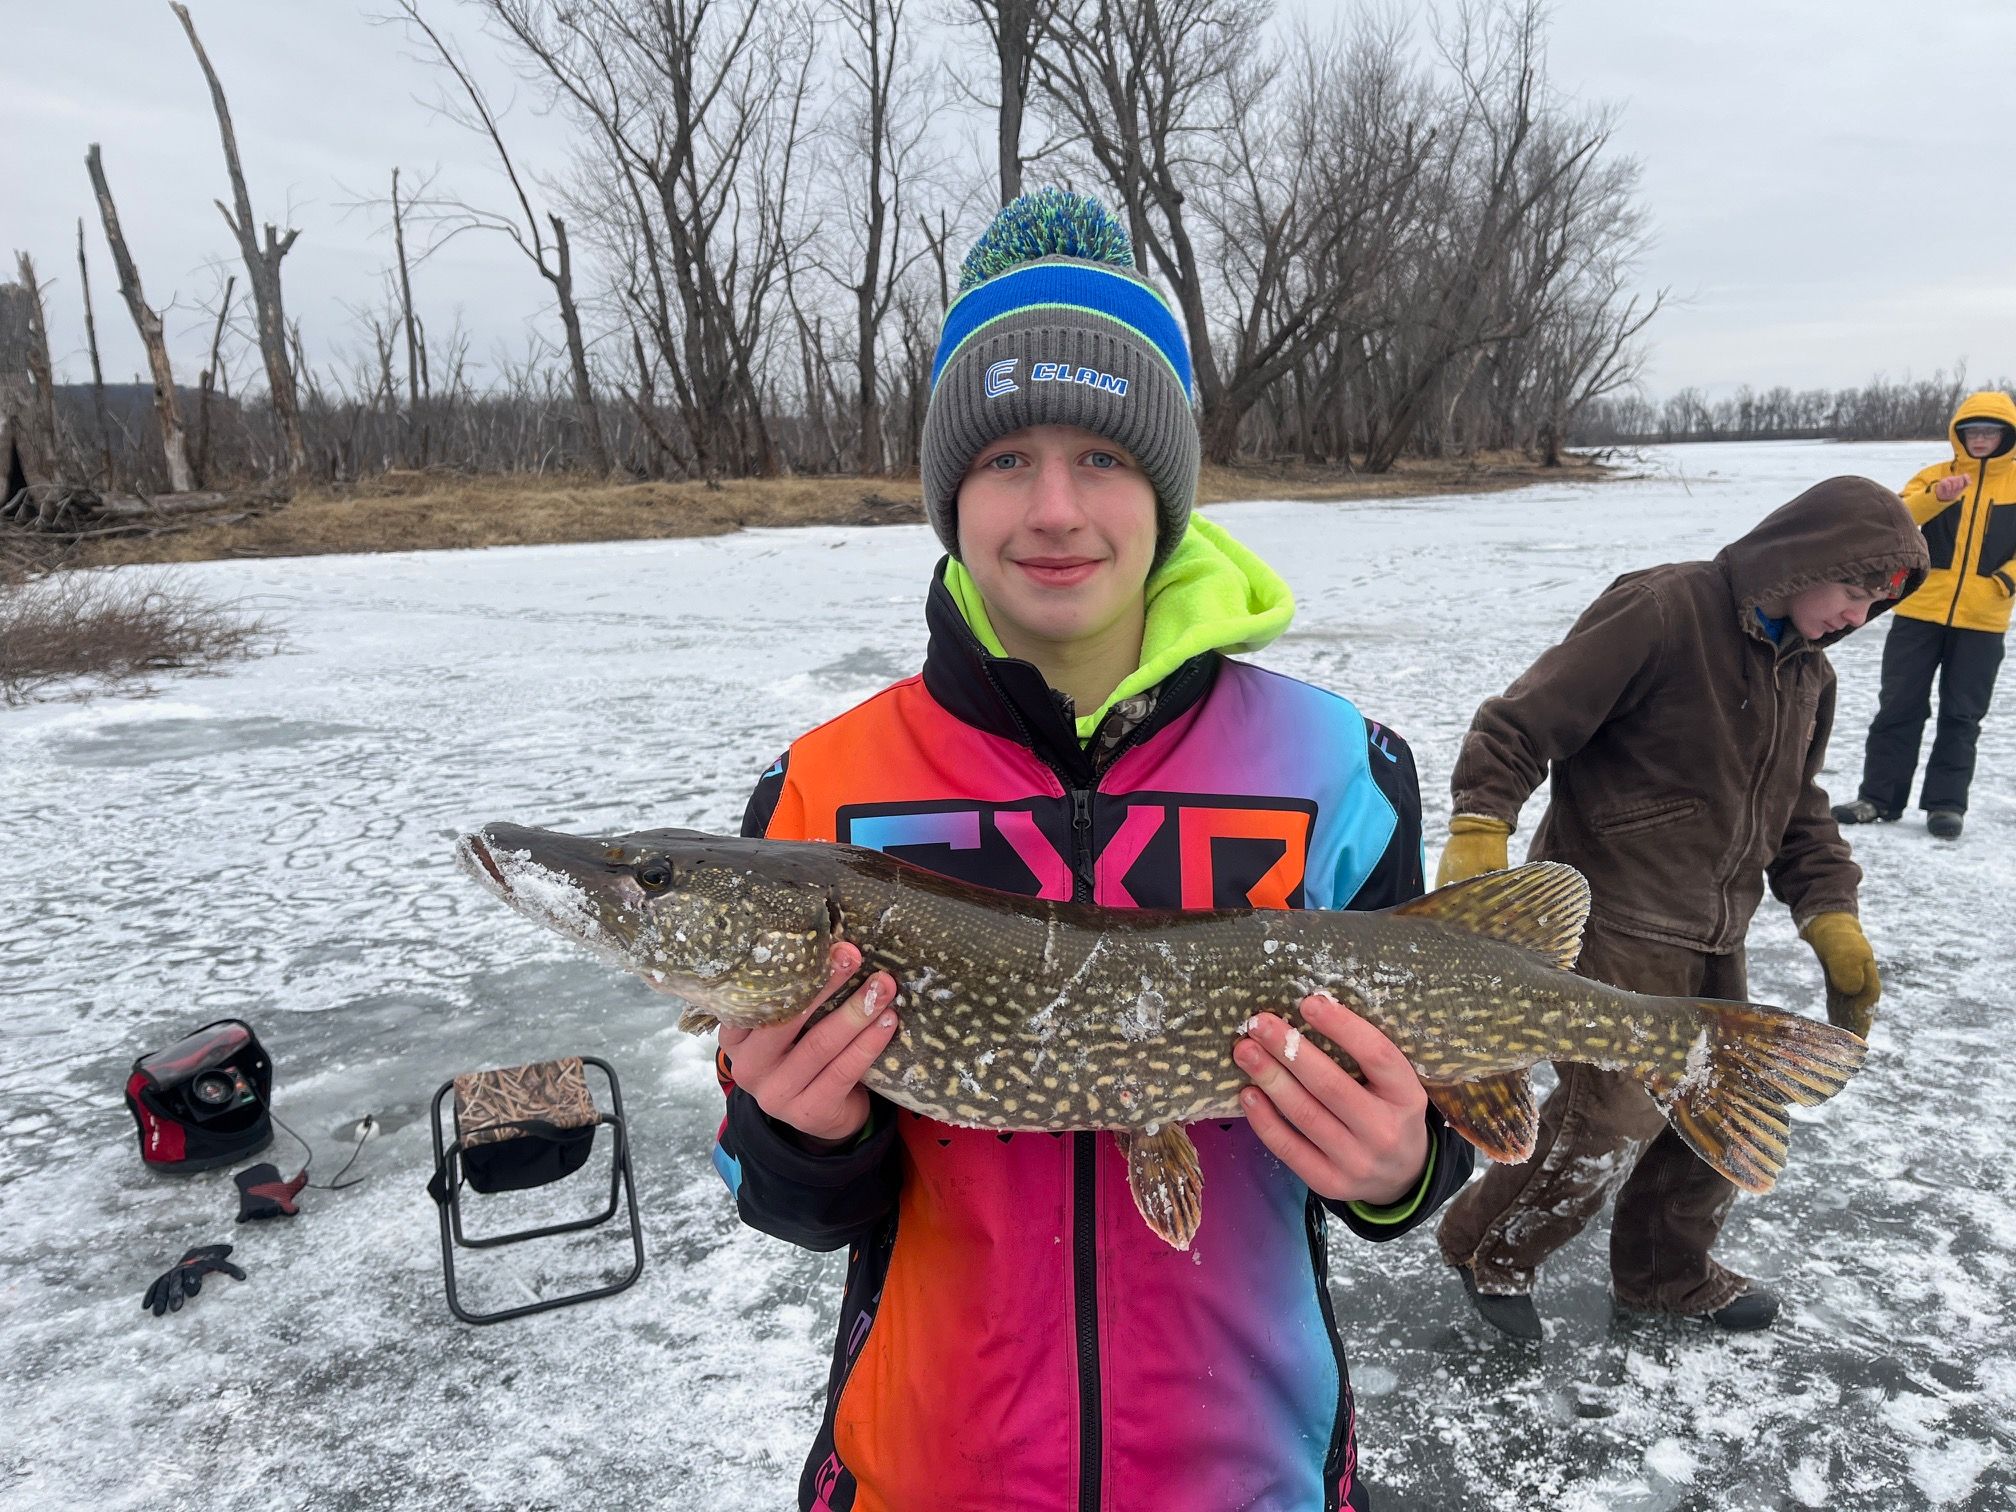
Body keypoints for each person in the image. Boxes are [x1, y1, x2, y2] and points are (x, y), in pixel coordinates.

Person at [708, 188, 1475, 1512]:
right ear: (953, 490)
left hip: (1245, 1479)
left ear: (1166, 485)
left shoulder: (1342, 771)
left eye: (1105, 458)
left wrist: (1405, 1169)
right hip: (928, 1480)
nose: (1055, 508)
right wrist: (804, 1136)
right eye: (1006, 458)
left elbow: (1439, 1116)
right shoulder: (821, 792)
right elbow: (776, 1191)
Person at [1432, 478, 1928, 1340]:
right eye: (1852, 592)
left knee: (1727, 1101)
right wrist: (1483, 822)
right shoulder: (1663, 610)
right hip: (1607, 912)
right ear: (1808, 560)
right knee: (1614, 1114)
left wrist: (1831, 916)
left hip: (1712, 928)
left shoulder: (1807, 674)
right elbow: (1521, 724)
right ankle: (1489, 1248)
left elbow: (1797, 808)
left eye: (1871, 606)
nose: (1856, 617)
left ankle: (1664, 1272)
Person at [1832, 391, 2016, 840]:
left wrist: (2007, 581)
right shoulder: (1934, 477)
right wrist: (1939, 496)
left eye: (1991, 431)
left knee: (1962, 715)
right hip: (1918, 611)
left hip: (1982, 620)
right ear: (1960, 434)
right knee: (1898, 707)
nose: (1981, 439)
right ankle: (1878, 799)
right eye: (1973, 431)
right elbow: (1897, 519)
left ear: (2006, 436)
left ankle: (1945, 806)